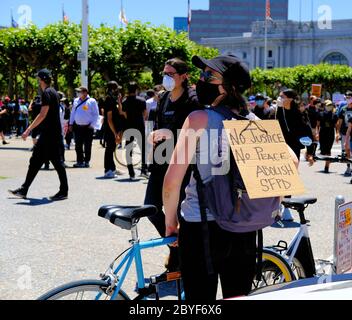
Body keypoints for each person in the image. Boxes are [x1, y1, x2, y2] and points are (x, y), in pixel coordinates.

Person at [163, 54, 299, 300]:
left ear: (228, 86)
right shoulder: (254, 122)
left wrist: (170, 223)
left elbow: (172, 182)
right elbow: (292, 161)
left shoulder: (199, 119)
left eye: (208, 76)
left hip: (200, 225)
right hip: (244, 225)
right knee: (237, 297)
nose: (201, 80)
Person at [144, 58, 201, 271]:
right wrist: (153, 137)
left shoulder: (193, 100)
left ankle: (182, 260)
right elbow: (156, 128)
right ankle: (175, 247)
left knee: (180, 213)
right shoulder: (163, 98)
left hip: (184, 167)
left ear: (184, 76)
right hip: (161, 164)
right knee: (150, 207)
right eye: (164, 73)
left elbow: (197, 134)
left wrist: (170, 135)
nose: (166, 78)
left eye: (171, 74)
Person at [8, 69, 68, 200]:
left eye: (38, 79)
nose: (37, 81)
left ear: (41, 79)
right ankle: (25, 189)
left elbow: (42, 114)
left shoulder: (46, 93)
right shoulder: (53, 92)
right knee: (44, 161)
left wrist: (28, 129)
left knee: (49, 162)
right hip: (52, 133)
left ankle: (63, 191)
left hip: (49, 135)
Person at [121, 82, 148, 179]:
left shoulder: (124, 101)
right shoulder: (142, 100)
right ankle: (144, 170)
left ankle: (131, 172)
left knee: (129, 149)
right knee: (143, 148)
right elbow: (145, 114)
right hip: (140, 125)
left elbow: (124, 114)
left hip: (129, 126)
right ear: (136, 89)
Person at [69, 86, 99, 168]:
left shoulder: (92, 101)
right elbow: (73, 113)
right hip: (78, 127)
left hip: (88, 127)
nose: (78, 93)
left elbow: (96, 114)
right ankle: (79, 161)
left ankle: (86, 161)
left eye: (80, 92)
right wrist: (70, 124)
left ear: (85, 92)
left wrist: (92, 125)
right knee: (78, 145)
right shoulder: (76, 101)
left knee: (87, 145)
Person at [103, 81, 124, 178]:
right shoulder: (108, 100)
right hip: (110, 129)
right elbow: (109, 119)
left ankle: (113, 168)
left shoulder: (114, 99)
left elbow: (120, 111)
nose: (118, 91)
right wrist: (115, 132)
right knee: (109, 148)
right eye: (116, 89)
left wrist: (119, 101)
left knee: (111, 148)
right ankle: (108, 170)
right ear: (112, 89)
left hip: (115, 128)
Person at [316, 100, 338, 173]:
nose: (329, 106)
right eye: (328, 105)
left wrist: (337, 134)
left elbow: (336, 126)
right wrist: (317, 133)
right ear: (325, 106)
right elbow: (318, 125)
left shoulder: (334, 115)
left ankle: (326, 166)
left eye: (331, 105)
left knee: (328, 150)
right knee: (323, 150)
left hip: (330, 133)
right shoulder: (320, 114)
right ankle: (327, 159)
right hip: (322, 132)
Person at [336, 91, 352, 177]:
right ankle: (348, 167)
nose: (348, 98)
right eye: (347, 97)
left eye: (350, 97)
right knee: (347, 151)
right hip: (344, 133)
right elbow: (339, 122)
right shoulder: (343, 109)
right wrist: (337, 133)